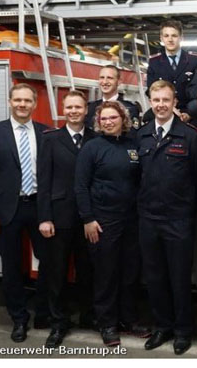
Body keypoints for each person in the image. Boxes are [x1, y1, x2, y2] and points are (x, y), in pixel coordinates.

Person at [0, 83, 50, 342]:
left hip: (39, 207)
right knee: (11, 266)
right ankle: (19, 318)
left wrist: (49, 212)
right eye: (17, 100)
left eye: (27, 101)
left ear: (34, 104)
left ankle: (43, 312)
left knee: (48, 262)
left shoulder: (45, 133)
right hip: (7, 209)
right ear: (10, 102)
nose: (22, 104)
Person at [75, 101, 149, 347]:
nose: (108, 122)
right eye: (103, 118)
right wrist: (88, 219)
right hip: (103, 221)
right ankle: (106, 323)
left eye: (112, 118)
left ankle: (128, 319)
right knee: (106, 274)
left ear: (123, 119)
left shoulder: (133, 145)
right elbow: (81, 186)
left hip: (132, 220)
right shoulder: (92, 148)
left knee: (130, 272)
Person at [136, 80, 197, 355]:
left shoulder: (190, 136)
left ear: (175, 102)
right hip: (148, 219)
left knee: (179, 277)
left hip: (179, 219)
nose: (161, 105)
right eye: (156, 100)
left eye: (166, 100)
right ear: (150, 102)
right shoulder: (140, 136)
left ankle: (183, 330)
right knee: (154, 277)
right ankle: (162, 326)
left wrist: (187, 209)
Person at [37, 90, 96, 348]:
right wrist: (45, 218)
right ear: (64, 110)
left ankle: (87, 316)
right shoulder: (51, 139)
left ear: (86, 110)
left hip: (88, 219)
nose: (73, 111)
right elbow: (44, 181)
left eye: (78, 107)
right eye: (69, 107)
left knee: (88, 271)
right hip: (59, 218)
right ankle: (58, 322)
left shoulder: (96, 138)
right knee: (57, 273)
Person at [146, 19, 197, 123]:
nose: (170, 39)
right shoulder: (154, 62)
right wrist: (171, 109)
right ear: (161, 38)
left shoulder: (194, 60)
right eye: (166, 36)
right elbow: (150, 90)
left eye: (174, 36)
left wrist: (188, 114)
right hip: (163, 110)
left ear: (181, 38)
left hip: (190, 112)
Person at [85, 65, 141, 131]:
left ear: (119, 81)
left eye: (110, 78)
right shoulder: (90, 108)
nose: (105, 82)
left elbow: (133, 135)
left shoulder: (130, 109)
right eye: (102, 77)